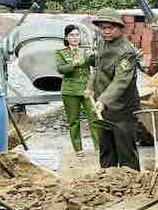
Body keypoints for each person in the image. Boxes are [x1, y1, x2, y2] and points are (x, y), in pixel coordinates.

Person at [88, 9, 143, 170]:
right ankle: (107, 181)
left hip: (122, 110)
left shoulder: (126, 52)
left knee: (125, 151)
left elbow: (121, 81)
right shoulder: (102, 43)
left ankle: (133, 185)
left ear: (120, 28)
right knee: (106, 150)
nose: (106, 31)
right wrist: (90, 87)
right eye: (103, 27)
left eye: (110, 28)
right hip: (103, 108)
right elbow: (98, 69)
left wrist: (104, 100)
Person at [55, 24, 101, 154]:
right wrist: (74, 64)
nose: (75, 37)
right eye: (71, 35)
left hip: (87, 89)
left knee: (94, 118)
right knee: (73, 121)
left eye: (77, 35)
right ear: (66, 37)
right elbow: (60, 69)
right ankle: (78, 149)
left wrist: (94, 56)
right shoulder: (61, 53)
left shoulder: (86, 51)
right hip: (70, 91)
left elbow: (95, 63)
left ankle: (98, 147)